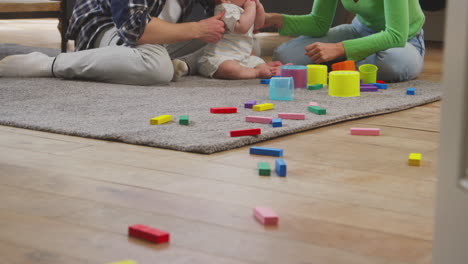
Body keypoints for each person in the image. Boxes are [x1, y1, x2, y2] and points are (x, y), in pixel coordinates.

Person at [0, 0, 226, 85]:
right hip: (107, 29)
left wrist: (249, 11)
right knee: (155, 68)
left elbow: (225, 17)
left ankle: (177, 64)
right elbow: (134, 28)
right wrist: (197, 29)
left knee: (227, 42)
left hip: (153, 39)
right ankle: (49, 64)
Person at [264, 0, 426, 82]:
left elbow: (396, 35)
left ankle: (342, 64)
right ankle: (350, 66)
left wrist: (340, 48)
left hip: (405, 40)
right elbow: (319, 22)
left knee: (391, 63)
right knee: (285, 55)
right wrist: (272, 19)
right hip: (359, 31)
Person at [198, 0, 281, 79]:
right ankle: (256, 72)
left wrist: (258, 7)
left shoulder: (243, 10)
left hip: (243, 58)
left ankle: (268, 69)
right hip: (220, 57)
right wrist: (250, 8)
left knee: (258, 61)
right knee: (229, 68)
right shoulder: (225, 9)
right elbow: (242, 28)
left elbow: (258, 25)